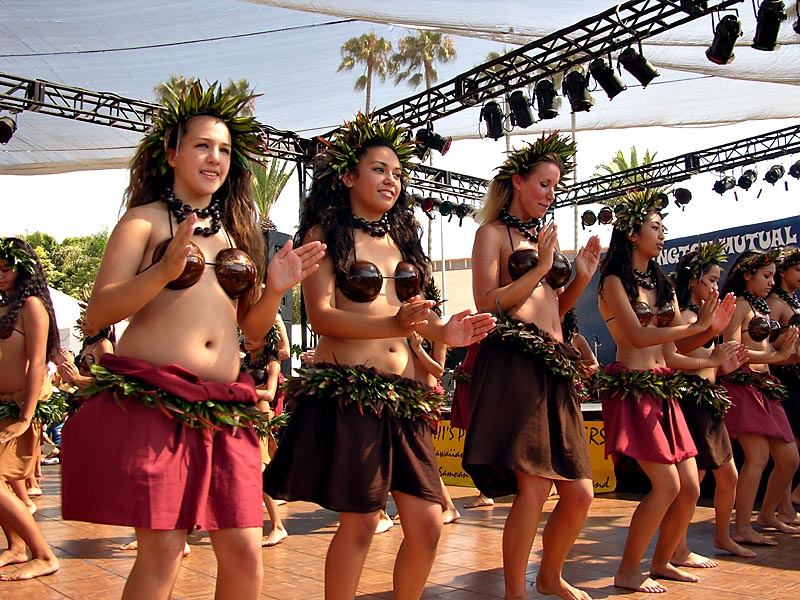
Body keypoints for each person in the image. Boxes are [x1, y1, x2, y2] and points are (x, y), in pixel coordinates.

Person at [60, 81, 325, 600]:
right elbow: (99, 312)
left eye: (225, 150)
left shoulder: (235, 237)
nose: (215, 158)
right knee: (162, 552)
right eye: (203, 145)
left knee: (246, 553)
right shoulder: (142, 223)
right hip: (157, 403)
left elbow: (249, 334)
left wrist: (274, 290)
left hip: (224, 407)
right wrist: (163, 270)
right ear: (172, 152)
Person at [262, 113, 495, 600]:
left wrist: (447, 332)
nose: (391, 180)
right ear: (348, 176)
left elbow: (417, 318)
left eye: (396, 172)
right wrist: (395, 324)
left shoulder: (403, 239)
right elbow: (322, 317)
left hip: (406, 397)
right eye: (378, 170)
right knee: (362, 522)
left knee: (429, 523)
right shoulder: (324, 236)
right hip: (355, 395)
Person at [462, 132, 602, 600]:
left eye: (556, 187)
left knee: (580, 493)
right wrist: (541, 267)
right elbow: (488, 302)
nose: (551, 194)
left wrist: (578, 275)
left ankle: (549, 575)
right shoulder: (492, 234)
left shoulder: (541, 239)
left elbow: (553, 312)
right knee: (536, 487)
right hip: (514, 364)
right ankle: (514, 592)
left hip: (554, 365)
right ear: (518, 182)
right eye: (543, 184)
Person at [597, 190, 737, 593]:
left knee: (691, 486)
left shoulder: (661, 282)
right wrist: (700, 328)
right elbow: (640, 337)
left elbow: (673, 352)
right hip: (633, 390)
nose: (662, 235)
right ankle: (627, 570)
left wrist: (712, 351)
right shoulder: (613, 281)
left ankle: (663, 561)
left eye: (663, 228)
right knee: (667, 485)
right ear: (631, 231)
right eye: (655, 227)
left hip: (664, 390)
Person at [671, 243, 754, 560]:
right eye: (710, 280)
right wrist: (709, 337)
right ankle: (678, 548)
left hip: (709, 400)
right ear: (693, 280)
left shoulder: (707, 318)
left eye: (718, 280)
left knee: (726, 474)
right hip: (690, 400)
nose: (716, 287)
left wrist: (723, 365)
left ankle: (722, 536)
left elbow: (710, 360)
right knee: (695, 480)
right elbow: (678, 350)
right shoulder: (688, 315)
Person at [718, 249, 800, 545]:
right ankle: (741, 526)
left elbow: (770, 353)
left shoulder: (762, 308)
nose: (771, 282)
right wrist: (776, 355)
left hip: (766, 385)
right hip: (743, 385)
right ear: (747, 274)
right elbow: (733, 350)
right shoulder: (739, 306)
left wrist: (783, 355)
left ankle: (766, 515)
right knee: (758, 456)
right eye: (766, 276)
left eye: (774, 276)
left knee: (789, 458)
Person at [0, 237, 60, 581]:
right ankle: (16, 546)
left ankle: (44, 554)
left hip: (18, 409)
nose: (1, 276)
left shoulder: (32, 306)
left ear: (23, 270)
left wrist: (25, 417)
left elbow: (37, 362)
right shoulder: (3, 305)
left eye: (7, 269)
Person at [240, 321, 289, 547]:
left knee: (260, 471)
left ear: (267, 338)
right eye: (246, 335)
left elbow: (269, 394)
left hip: (260, 421)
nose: (248, 338)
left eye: (254, 335)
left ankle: (278, 526)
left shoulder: (272, 364)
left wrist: (240, 390)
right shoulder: (240, 362)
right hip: (239, 420)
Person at [766, 246, 800, 511]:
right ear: (783, 272)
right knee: (790, 445)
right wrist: (789, 349)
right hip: (783, 376)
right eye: (798, 270)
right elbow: (766, 342)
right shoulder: (775, 303)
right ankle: (784, 504)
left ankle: (789, 501)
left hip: (795, 374)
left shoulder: (792, 300)